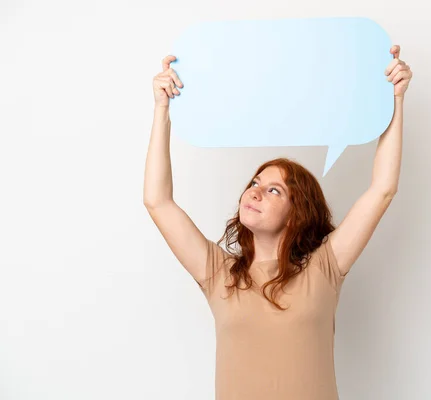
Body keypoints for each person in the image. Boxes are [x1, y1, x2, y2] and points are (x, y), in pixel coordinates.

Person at [143, 45, 412, 400]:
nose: (254, 192)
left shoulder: (324, 268)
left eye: (274, 191)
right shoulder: (218, 273)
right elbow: (157, 202)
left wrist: (394, 100)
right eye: (254, 183)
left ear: (297, 213)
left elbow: (382, 190)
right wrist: (162, 108)